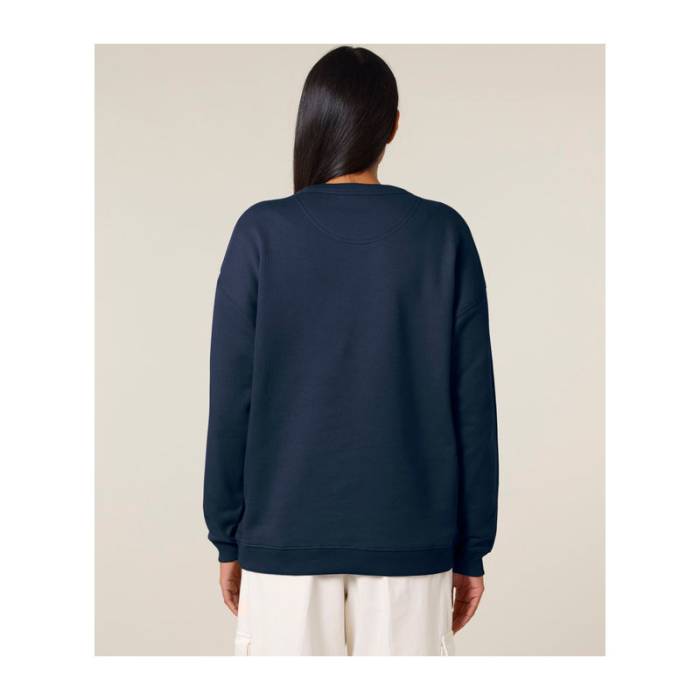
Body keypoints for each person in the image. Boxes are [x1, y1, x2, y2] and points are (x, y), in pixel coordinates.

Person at [203, 45, 499, 656]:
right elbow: (473, 407)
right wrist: (471, 549)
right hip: (411, 546)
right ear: (393, 125)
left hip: (283, 543)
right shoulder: (443, 235)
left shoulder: (261, 233)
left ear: (311, 121)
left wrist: (228, 536)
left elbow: (231, 399)